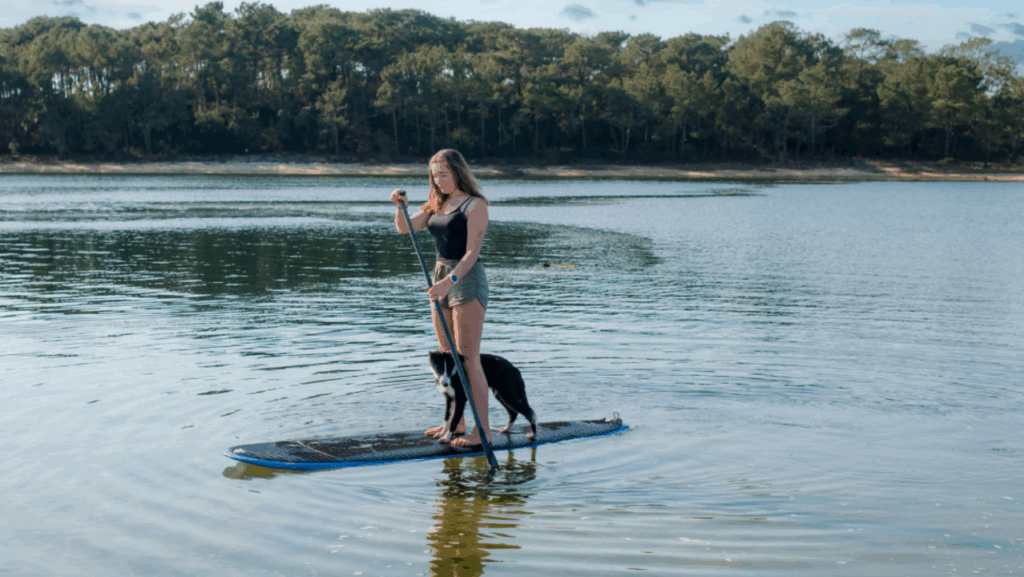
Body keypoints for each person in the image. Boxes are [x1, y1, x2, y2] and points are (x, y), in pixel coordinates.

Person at [390, 149, 491, 449]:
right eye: (434, 175)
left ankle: (480, 430)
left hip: (465, 279)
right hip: (439, 277)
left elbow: (472, 254)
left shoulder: (476, 205)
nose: (439, 180)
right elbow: (405, 227)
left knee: (468, 359)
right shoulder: (437, 203)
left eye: (444, 174)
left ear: (458, 172)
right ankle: (456, 422)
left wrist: (450, 281)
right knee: (447, 356)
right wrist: (401, 207)